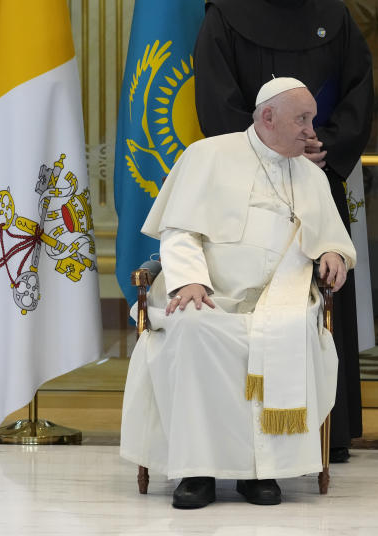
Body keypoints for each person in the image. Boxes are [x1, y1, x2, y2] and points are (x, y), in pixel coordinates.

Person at [119, 78, 356, 509]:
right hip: (209, 293)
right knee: (191, 328)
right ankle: (196, 471)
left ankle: (261, 473)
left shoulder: (310, 174)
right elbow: (178, 231)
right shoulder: (207, 155)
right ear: (268, 117)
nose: (311, 129)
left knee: (287, 330)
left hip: (280, 297)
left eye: (311, 119)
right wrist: (190, 280)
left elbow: (332, 240)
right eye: (301, 119)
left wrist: (336, 255)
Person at [193, 0, 374, 464]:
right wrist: (267, 152)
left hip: (316, 181)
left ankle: (326, 431)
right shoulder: (225, 15)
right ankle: (243, 435)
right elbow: (217, 100)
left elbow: (359, 92)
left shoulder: (334, 17)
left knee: (322, 294)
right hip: (247, 195)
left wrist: (327, 145)